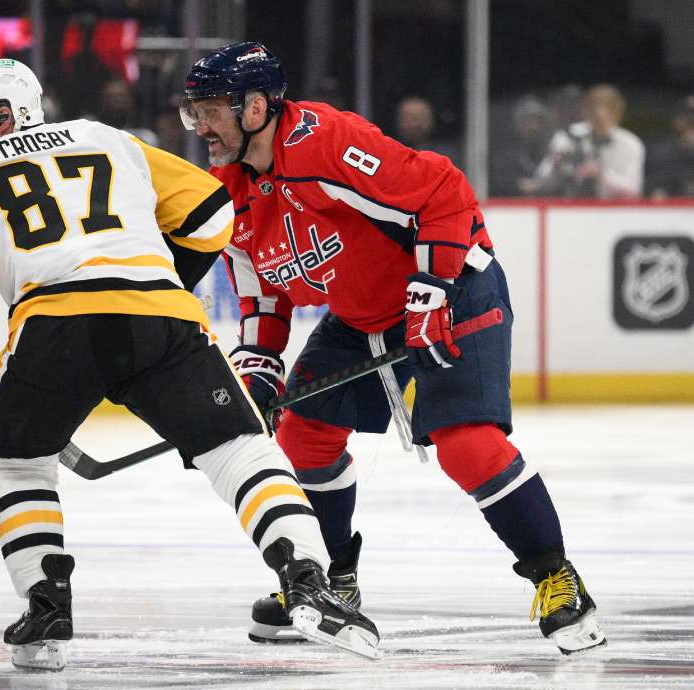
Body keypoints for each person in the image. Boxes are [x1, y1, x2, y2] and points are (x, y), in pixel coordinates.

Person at [0, 57, 381, 671]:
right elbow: (213, 213)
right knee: (241, 448)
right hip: (159, 318)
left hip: (52, 328)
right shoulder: (107, 138)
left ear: (3, 117)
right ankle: (306, 577)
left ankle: (47, 604)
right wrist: (154, 281)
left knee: (20, 465)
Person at [180, 42, 606, 655]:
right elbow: (261, 301)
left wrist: (431, 292)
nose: (201, 125)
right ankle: (332, 586)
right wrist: (259, 376)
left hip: (454, 281)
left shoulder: (323, 142)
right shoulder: (228, 194)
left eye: (212, 108)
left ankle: (558, 580)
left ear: (255, 108)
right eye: (195, 109)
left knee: (466, 444)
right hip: (361, 315)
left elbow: (444, 192)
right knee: (301, 435)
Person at [525, 83, 644, 198]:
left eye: (607, 108)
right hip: (571, 207)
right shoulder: (567, 137)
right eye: (594, 107)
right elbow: (541, 181)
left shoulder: (631, 144)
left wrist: (600, 175)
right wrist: (556, 167)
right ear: (585, 110)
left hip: (614, 212)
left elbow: (633, 190)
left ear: (618, 111)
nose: (600, 114)